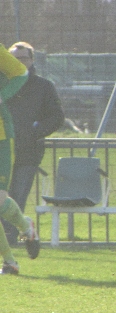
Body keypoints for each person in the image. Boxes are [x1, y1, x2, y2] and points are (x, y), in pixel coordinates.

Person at [3, 42, 64, 247]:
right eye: (14, 58)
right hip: (3, 150)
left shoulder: (43, 86)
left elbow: (56, 117)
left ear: (32, 60)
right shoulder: (4, 84)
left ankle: (11, 238)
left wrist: (33, 132)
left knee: (17, 196)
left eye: (23, 58)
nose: (18, 62)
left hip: (27, 153)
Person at [0, 44, 40, 274]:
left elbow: (21, 73)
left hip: (2, 137)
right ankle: (10, 262)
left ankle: (26, 227)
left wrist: (2, 96)